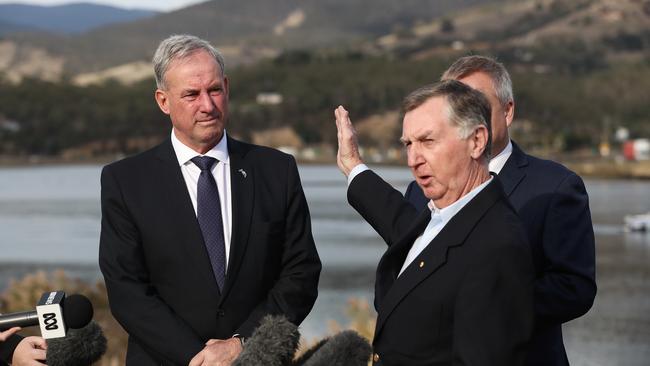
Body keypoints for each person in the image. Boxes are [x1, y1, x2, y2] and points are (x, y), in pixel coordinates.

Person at [99, 34, 321, 366]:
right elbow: (127, 291)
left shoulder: (277, 171)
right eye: (191, 94)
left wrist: (242, 345)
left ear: (227, 88)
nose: (208, 105)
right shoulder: (126, 181)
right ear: (163, 101)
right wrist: (199, 359)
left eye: (215, 90)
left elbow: (300, 274)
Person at [404, 56, 597, 366]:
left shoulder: (556, 186)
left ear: (508, 111)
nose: (465, 118)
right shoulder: (417, 191)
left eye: (475, 106)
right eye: (455, 109)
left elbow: (574, 289)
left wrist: (479, 305)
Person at [335, 80, 534, 365]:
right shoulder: (442, 214)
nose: (413, 160)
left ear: (476, 141)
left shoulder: (496, 245)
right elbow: (401, 223)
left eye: (428, 141)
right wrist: (354, 166)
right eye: (408, 144)